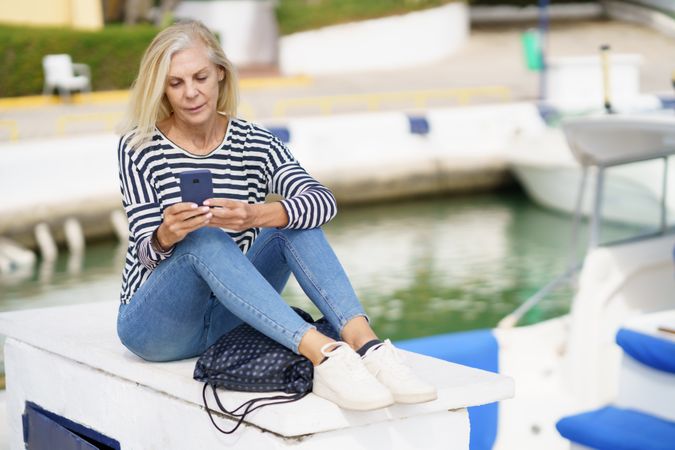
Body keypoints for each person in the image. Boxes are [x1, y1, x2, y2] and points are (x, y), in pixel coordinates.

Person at [116, 20, 436, 411]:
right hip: (156, 326)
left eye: (200, 77)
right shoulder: (139, 146)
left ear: (220, 72)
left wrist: (257, 215)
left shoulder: (253, 141)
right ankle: (325, 354)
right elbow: (143, 254)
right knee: (204, 237)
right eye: (175, 83)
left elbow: (322, 201)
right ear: (162, 88)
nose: (191, 93)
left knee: (292, 223)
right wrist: (166, 235)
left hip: (231, 317)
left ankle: (366, 346)